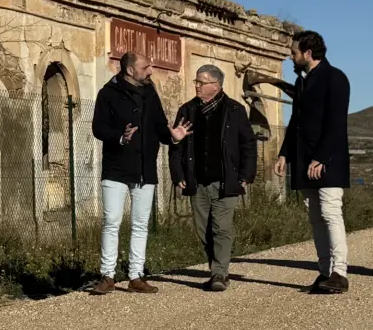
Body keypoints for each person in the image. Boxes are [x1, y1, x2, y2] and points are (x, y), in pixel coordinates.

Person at [89, 51, 191, 294]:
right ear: (130, 70)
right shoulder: (108, 93)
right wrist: (119, 137)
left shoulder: (150, 94)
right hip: (115, 168)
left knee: (140, 224)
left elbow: (160, 128)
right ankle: (107, 276)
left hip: (145, 169)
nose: (150, 71)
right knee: (111, 221)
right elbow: (98, 128)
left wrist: (174, 137)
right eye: (145, 67)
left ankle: (136, 276)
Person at [274, 31, 353, 294]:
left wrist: (321, 157)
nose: (291, 57)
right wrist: (284, 154)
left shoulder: (335, 78)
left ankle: (339, 273)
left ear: (308, 53)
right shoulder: (302, 81)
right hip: (303, 159)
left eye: (293, 52)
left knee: (331, 212)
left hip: (328, 160)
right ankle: (324, 272)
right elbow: (295, 121)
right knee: (315, 216)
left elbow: (336, 122)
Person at [169, 64, 258, 292]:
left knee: (221, 228)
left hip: (226, 180)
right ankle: (216, 268)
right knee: (203, 229)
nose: (197, 85)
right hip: (197, 180)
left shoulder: (235, 110)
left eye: (201, 82)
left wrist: (246, 174)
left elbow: (248, 144)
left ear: (216, 86)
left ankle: (219, 273)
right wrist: (177, 174)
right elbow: (176, 146)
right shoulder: (187, 110)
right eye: (196, 81)